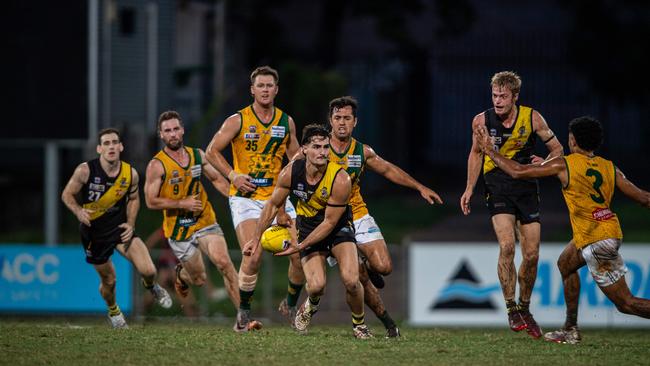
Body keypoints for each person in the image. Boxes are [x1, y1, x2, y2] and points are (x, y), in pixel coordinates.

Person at [475, 116, 650, 344]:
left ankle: (571, 329)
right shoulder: (609, 167)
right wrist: (541, 163)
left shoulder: (565, 164)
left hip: (596, 241)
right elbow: (644, 198)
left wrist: (490, 151)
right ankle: (570, 328)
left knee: (626, 303)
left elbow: (517, 171)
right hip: (606, 233)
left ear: (572, 140)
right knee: (565, 264)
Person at [326, 96, 443, 338]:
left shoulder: (362, 151)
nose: (342, 123)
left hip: (357, 214)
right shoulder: (318, 149)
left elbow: (389, 169)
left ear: (355, 122)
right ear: (330, 120)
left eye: (347, 118)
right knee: (355, 280)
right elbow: (292, 175)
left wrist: (419, 187)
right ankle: (385, 322)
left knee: (384, 267)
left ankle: (367, 265)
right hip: (330, 222)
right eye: (337, 118)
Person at [460, 71, 564, 338]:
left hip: (527, 186)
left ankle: (525, 307)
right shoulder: (481, 121)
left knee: (532, 254)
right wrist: (470, 188)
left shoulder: (533, 118)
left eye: (503, 96)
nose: (497, 101)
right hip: (496, 185)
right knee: (507, 245)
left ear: (515, 96)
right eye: (494, 95)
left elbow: (558, 150)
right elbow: (475, 153)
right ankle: (511, 310)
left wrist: (544, 163)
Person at [244, 124, 372, 339]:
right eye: (316, 147)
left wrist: (300, 246)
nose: (322, 152)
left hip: (338, 227)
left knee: (351, 280)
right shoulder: (291, 172)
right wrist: (255, 240)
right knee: (316, 286)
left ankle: (359, 325)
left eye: (325, 147)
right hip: (308, 226)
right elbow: (272, 205)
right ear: (304, 149)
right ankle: (309, 307)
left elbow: (330, 223)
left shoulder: (340, 178)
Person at [205, 65, 305, 329]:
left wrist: (285, 203)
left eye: (269, 85)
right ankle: (243, 314)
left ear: (276, 89)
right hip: (245, 198)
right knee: (253, 255)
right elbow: (211, 151)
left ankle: (291, 305)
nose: (265, 89)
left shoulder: (286, 122)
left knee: (299, 254)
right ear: (252, 90)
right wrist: (232, 175)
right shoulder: (237, 120)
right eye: (260, 85)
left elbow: (297, 163)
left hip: (277, 197)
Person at [144, 111, 245, 331]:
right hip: (179, 230)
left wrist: (239, 198)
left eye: (175, 129)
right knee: (198, 279)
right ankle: (180, 274)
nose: (172, 134)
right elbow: (151, 201)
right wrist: (182, 204)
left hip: (205, 220)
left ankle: (243, 318)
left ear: (182, 130)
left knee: (224, 263)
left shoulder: (198, 155)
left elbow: (218, 179)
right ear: (161, 134)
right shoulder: (157, 165)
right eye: (167, 130)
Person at [61, 128, 172, 329]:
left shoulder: (131, 174)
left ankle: (151, 286)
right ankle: (114, 311)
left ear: (121, 147)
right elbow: (67, 195)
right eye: (106, 143)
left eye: (114, 142)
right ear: (99, 148)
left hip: (120, 230)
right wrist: (78, 211)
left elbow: (134, 198)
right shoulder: (85, 170)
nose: (111, 146)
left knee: (149, 270)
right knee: (109, 281)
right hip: (94, 235)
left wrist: (130, 223)